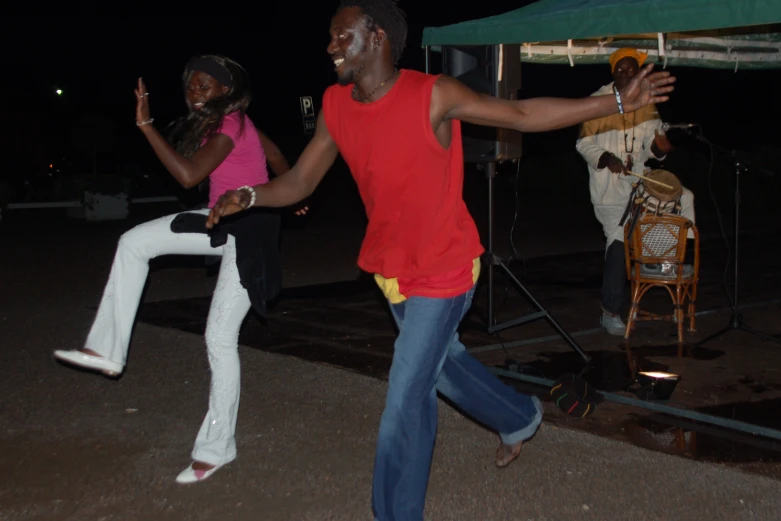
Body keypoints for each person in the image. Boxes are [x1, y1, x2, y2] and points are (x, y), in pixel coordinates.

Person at [206, 2, 676, 519]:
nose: (331, 46)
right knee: (443, 367)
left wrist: (612, 100)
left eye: (342, 36)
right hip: (391, 271)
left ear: (377, 36)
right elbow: (299, 181)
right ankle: (519, 417)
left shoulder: (433, 95)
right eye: (331, 37)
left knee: (406, 395)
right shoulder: (336, 105)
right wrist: (249, 196)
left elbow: (521, 115)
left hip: (445, 266)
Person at [53, 54, 297, 484]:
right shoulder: (237, 122)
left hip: (251, 233)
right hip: (217, 218)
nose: (195, 91)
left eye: (206, 84)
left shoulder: (228, 126)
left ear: (226, 90)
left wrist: (146, 126)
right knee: (133, 242)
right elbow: (275, 153)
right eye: (190, 85)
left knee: (219, 337)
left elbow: (187, 176)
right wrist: (293, 190)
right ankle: (107, 349)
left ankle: (218, 448)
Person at [576, 48, 695, 336]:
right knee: (617, 243)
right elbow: (583, 143)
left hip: (637, 179)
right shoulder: (599, 101)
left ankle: (669, 262)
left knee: (684, 197)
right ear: (613, 72)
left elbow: (650, 148)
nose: (626, 74)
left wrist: (659, 149)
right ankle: (610, 311)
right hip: (609, 188)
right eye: (621, 70)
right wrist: (606, 158)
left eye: (631, 70)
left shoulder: (646, 103)